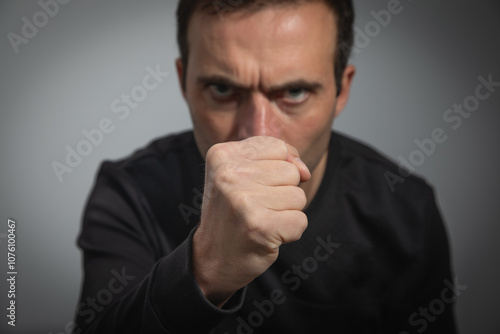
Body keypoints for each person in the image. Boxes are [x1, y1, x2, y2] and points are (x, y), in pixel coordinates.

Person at [74, 0, 457, 333]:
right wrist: (206, 270)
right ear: (183, 82)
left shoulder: (406, 210)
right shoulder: (129, 191)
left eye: (294, 93)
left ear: (342, 90)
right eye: (223, 90)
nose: (257, 134)